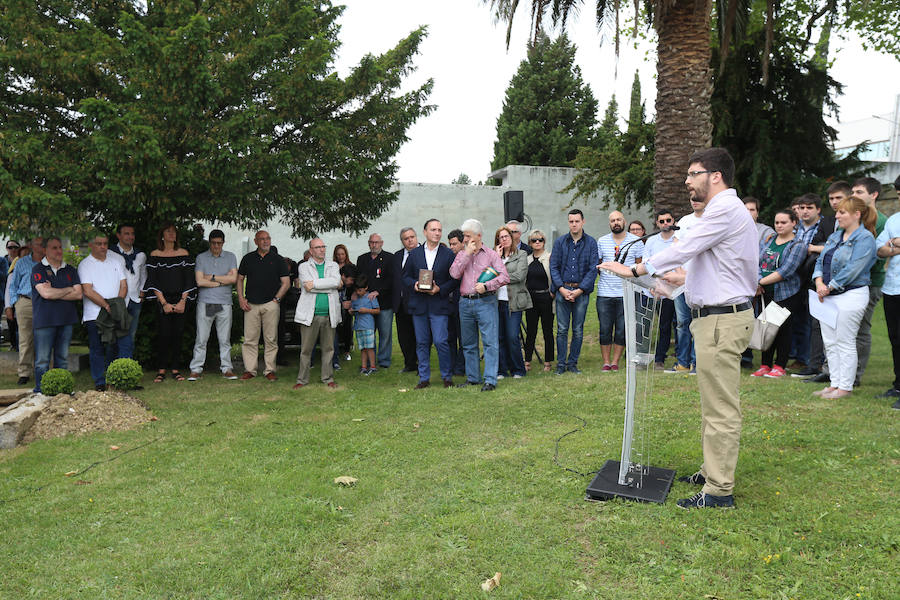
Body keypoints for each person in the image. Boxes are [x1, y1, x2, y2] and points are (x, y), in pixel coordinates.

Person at [602, 147, 757, 509]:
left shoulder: (724, 209)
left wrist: (636, 269)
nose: (687, 181)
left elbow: (685, 248)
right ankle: (710, 471)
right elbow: (713, 269)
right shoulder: (723, 211)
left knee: (720, 408)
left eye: (693, 173)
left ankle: (718, 491)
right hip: (715, 318)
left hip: (721, 320)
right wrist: (670, 285)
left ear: (715, 176)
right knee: (712, 403)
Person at [811, 196, 877, 399]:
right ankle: (834, 384)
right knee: (830, 342)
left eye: (842, 212)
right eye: (837, 212)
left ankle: (845, 387)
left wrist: (829, 286)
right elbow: (820, 261)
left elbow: (854, 268)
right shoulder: (835, 236)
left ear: (856, 214)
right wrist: (819, 282)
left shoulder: (865, 238)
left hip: (851, 295)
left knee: (845, 341)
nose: (837, 216)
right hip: (827, 295)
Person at [450, 219, 510, 391]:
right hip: (465, 302)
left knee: (490, 342)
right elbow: (454, 274)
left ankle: (490, 380)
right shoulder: (462, 254)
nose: (464, 239)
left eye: (468, 236)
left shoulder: (491, 254)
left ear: (478, 236)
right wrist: (467, 254)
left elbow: (504, 277)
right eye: (464, 236)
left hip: (486, 301)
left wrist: (487, 286)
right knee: (468, 343)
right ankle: (473, 378)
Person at [402, 219, 460, 388]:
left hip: (439, 305)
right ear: (425, 232)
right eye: (433, 229)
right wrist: (414, 285)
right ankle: (424, 378)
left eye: (439, 230)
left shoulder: (448, 254)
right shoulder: (414, 254)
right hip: (419, 305)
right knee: (421, 342)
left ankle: (447, 377)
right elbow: (405, 276)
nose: (437, 233)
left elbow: (455, 279)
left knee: (441, 341)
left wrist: (440, 289)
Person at [750, 210, 807, 379]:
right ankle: (765, 365)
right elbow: (757, 262)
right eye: (777, 222)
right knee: (766, 327)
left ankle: (780, 366)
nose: (779, 226)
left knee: (783, 330)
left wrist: (760, 282)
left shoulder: (798, 245)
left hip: (786, 294)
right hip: (765, 292)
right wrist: (758, 281)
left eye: (784, 222)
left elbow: (785, 271)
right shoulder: (770, 240)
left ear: (794, 223)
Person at [144, 223, 195, 383]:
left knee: (178, 334)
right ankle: (161, 370)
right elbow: (153, 281)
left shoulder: (184, 254)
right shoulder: (155, 255)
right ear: (162, 235)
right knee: (164, 334)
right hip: (163, 300)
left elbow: (189, 280)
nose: (172, 234)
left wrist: (182, 301)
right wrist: (164, 303)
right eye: (168, 231)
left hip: (181, 300)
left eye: (174, 231)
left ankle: (175, 369)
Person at [848, 177, 886, 387]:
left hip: (870, 282)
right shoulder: (854, 218)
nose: (854, 196)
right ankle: (840, 372)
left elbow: (874, 255)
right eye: (852, 192)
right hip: (849, 281)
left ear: (874, 195)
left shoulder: (881, 221)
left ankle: (855, 375)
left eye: (859, 192)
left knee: (861, 328)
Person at [549, 210, 598, 375]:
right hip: (563, 290)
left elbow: (593, 269)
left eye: (577, 221)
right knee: (562, 329)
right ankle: (561, 364)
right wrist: (561, 289)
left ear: (583, 221)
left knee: (577, 329)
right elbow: (553, 267)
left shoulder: (591, 243)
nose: (574, 224)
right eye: (571, 221)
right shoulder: (560, 242)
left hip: (581, 292)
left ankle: (572, 363)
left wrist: (579, 290)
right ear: (568, 222)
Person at [79, 234, 129, 391]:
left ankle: (113, 379)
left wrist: (117, 305)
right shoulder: (85, 265)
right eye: (99, 243)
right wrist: (108, 306)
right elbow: (88, 290)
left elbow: (124, 285)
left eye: (105, 243)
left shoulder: (116, 262)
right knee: (97, 348)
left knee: (114, 347)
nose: (103, 247)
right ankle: (100, 381)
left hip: (115, 312)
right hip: (94, 315)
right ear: (91, 245)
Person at [31, 237, 82, 393]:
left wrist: (55, 291)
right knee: (42, 361)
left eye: (60, 247)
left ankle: (62, 391)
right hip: (44, 321)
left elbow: (79, 294)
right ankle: (41, 392)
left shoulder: (70, 270)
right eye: (54, 248)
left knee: (62, 359)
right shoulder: (38, 269)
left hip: (66, 320)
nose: (59, 251)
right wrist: (68, 289)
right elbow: (46, 294)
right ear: (45, 250)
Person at [237, 230, 289, 381]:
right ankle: (250, 370)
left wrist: (276, 299)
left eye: (268, 238)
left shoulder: (278, 259)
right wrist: (241, 298)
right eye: (262, 239)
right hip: (250, 305)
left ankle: (269, 370)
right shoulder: (248, 258)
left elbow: (286, 283)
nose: (266, 241)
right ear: (255, 241)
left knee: (271, 339)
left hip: (270, 304)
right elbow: (240, 279)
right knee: (250, 339)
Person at [664, 195, 707, 375]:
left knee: (699, 323)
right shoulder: (684, 221)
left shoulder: (711, 221)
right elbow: (675, 249)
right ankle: (682, 362)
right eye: (692, 199)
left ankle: (697, 363)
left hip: (702, 281)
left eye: (698, 198)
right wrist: (680, 272)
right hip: (681, 281)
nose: (694, 201)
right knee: (682, 323)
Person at [188, 229, 238, 381]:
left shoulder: (231, 257)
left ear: (223, 242)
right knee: (202, 338)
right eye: (213, 243)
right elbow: (199, 281)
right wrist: (222, 281)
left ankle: (227, 368)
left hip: (225, 303)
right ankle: (196, 369)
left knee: (225, 339)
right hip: (206, 302)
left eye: (219, 243)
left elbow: (233, 279)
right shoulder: (201, 258)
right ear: (209, 242)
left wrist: (212, 277)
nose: (216, 246)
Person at [596, 210, 643, 371]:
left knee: (622, 330)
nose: (616, 223)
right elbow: (599, 264)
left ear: (624, 221)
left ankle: (615, 361)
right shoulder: (602, 241)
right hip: (605, 293)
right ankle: (606, 362)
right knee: (605, 329)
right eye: (613, 220)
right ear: (609, 224)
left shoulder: (635, 241)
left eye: (618, 219)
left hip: (626, 293)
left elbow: (639, 265)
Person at [293, 238, 340, 389]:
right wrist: (329, 285)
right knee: (306, 350)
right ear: (311, 250)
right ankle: (302, 380)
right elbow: (307, 287)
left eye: (323, 246)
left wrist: (315, 284)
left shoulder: (333, 265)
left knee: (328, 349)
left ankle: (328, 378)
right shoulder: (303, 266)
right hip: (310, 315)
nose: (322, 249)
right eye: (318, 247)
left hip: (329, 313)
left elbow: (336, 282)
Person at [643, 211, 678, 369]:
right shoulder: (652, 241)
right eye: (662, 221)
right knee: (664, 325)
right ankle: (659, 358)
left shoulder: (679, 240)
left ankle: (682, 357)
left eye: (668, 220)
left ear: (673, 221)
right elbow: (646, 264)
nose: (665, 223)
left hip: (679, 289)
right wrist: (653, 285)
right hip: (660, 290)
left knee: (681, 325)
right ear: (657, 223)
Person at [8, 237, 44, 385]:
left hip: (44, 303)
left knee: (44, 338)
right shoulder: (21, 262)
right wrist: (15, 303)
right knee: (25, 339)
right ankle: (24, 372)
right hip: (25, 302)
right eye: (38, 244)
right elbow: (13, 285)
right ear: (31, 246)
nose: (40, 247)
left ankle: (42, 370)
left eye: (43, 245)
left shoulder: (49, 262)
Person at [494, 226, 529, 379]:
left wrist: (499, 276)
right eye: (501, 237)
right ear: (497, 240)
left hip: (513, 302)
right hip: (497, 302)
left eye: (506, 236)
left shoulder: (521, 254)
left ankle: (518, 369)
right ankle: (502, 370)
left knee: (513, 337)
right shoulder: (494, 256)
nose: (504, 239)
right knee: (499, 337)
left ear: (512, 237)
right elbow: (489, 275)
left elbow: (520, 275)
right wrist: (496, 258)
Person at [108, 224, 146, 359]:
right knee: (113, 336)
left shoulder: (140, 255)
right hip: (117, 300)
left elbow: (143, 276)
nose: (130, 236)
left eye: (132, 234)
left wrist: (142, 293)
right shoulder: (110, 253)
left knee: (131, 336)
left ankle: (126, 366)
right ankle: (111, 366)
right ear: (118, 235)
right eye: (126, 233)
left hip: (134, 300)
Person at [874, 208, 900, 408]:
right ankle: (898, 385)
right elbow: (879, 250)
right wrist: (893, 245)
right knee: (895, 338)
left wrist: (894, 242)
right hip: (892, 288)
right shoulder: (894, 220)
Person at [356, 234, 394, 369]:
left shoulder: (390, 258)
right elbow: (359, 280)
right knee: (368, 333)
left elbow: (392, 280)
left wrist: (379, 291)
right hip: (366, 303)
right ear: (368, 243)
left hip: (384, 303)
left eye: (376, 242)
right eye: (372, 242)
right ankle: (369, 362)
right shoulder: (362, 259)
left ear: (381, 243)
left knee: (385, 333)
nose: (374, 245)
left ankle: (384, 361)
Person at [523, 230, 554, 372]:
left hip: (546, 298)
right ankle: (527, 361)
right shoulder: (527, 260)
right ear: (529, 243)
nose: (537, 242)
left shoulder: (549, 257)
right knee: (531, 331)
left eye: (540, 240)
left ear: (544, 242)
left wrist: (553, 292)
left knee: (547, 331)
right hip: (531, 299)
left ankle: (548, 362)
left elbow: (554, 275)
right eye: (534, 240)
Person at [446, 229, 466, 376]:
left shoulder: (467, 257)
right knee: (450, 337)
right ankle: (452, 366)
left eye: (454, 244)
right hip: (448, 304)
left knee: (463, 338)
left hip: (462, 302)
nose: (452, 247)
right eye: (450, 244)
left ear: (462, 243)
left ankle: (461, 367)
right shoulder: (448, 258)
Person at [350, 274, 378, 374]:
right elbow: (353, 310)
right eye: (357, 290)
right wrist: (351, 311)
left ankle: (373, 367)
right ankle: (364, 367)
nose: (358, 292)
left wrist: (366, 310)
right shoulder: (355, 298)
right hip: (358, 327)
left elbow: (377, 310)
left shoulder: (371, 297)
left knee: (369, 347)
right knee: (362, 348)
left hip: (368, 326)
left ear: (366, 288)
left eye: (360, 290)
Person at [333, 244, 354, 361]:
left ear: (346, 254)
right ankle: (335, 349)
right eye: (338, 254)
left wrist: (351, 301)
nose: (340, 256)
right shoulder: (332, 267)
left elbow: (354, 285)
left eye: (342, 254)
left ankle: (347, 349)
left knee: (347, 326)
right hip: (336, 299)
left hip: (348, 299)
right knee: (335, 326)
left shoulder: (351, 267)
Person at [336, 263, 357, 363]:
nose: (352, 282)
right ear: (343, 276)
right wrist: (341, 304)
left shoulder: (351, 287)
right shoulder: (334, 283)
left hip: (346, 314)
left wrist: (351, 303)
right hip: (334, 312)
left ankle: (347, 351)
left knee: (348, 329)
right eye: (351, 279)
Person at [0, 240, 19, 349]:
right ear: (7, 249)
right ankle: (13, 343)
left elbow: (5, 276)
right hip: (7, 294)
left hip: (19, 294)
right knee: (10, 320)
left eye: (15, 247)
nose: (13, 249)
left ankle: (18, 343)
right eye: (10, 247)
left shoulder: (21, 260)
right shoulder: (4, 260)